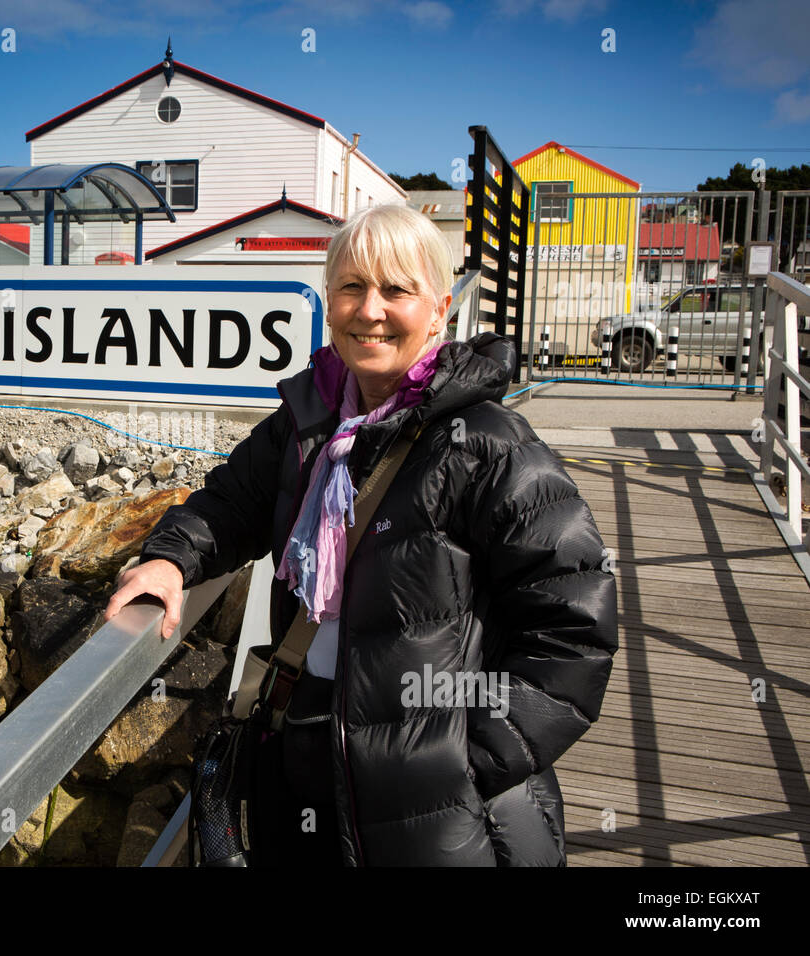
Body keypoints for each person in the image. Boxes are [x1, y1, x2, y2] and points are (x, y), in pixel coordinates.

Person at [104, 203, 618, 866]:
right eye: (351, 287)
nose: (369, 309)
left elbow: (574, 625)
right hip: (307, 751)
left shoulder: (488, 445)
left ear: (438, 311)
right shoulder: (307, 422)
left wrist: (463, 759)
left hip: (434, 810)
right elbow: (231, 504)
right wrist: (168, 561)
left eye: (396, 289)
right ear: (329, 300)